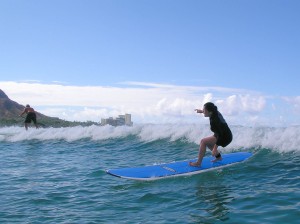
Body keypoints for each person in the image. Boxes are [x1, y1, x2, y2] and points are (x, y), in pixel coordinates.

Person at [189, 102, 232, 167]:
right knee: (207, 142)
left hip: (225, 137)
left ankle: (198, 163)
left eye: (204, 110)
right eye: (203, 109)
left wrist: (215, 148)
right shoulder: (213, 112)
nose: (203, 111)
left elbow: (221, 135)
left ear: (210, 112)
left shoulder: (215, 121)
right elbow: (210, 111)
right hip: (220, 134)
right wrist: (201, 111)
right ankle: (218, 157)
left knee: (203, 141)